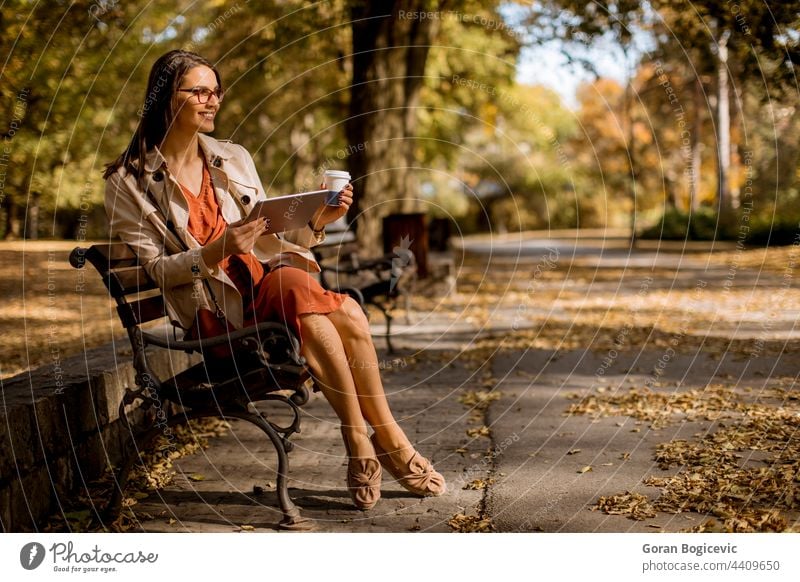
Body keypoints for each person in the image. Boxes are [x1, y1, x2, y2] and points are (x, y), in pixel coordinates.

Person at [103, 50, 445, 511]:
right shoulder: (129, 181)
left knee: (319, 298)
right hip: (220, 319)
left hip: (268, 287)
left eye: (215, 91)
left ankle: (362, 439)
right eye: (199, 91)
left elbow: (275, 231)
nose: (212, 100)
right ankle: (385, 440)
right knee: (341, 310)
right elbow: (159, 272)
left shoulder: (232, 157)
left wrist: (320, 217)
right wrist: (219, 250)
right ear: (166, 97)